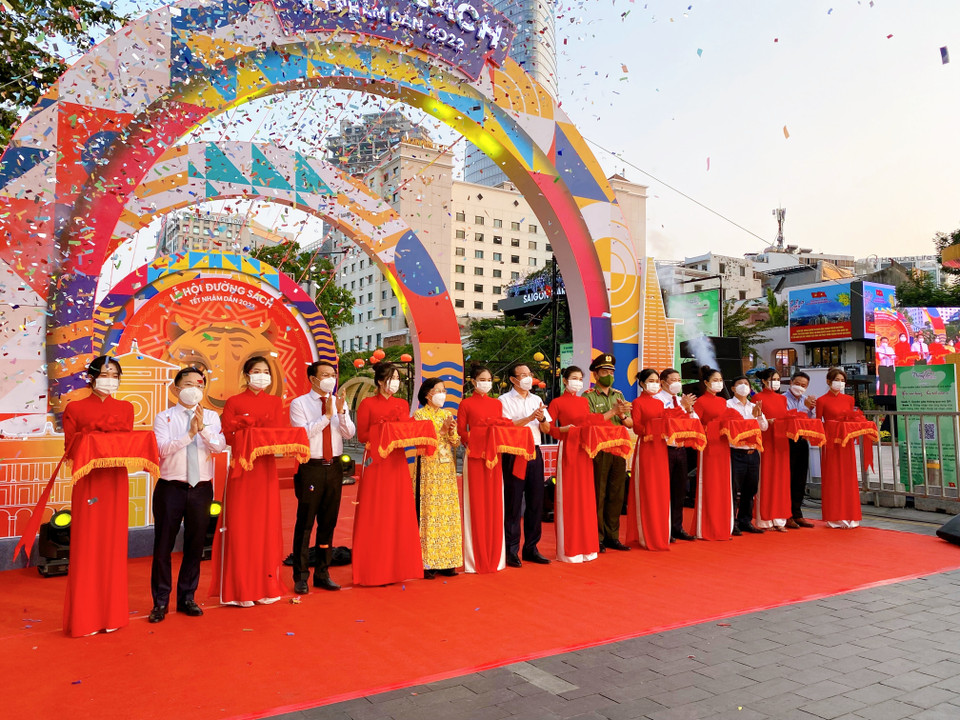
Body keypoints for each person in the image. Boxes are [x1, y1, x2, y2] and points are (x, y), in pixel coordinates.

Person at [61, 356, 136, 636]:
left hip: (115, 479)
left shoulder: (125, 408)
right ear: (92, 376)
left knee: (114, 543)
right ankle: (86, 617)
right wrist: (91, 437)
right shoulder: (75, 408)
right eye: (105, 373)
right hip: (89, 481)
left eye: (115, 374)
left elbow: (126, 442)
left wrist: (104, 438)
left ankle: (112, 613)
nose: (110, 379)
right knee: (88, 542)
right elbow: (70, 447)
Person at [209, 356, 289, 607]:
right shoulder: (233, 402)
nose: (262, 376)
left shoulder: (275, 402)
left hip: (265, 469)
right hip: (242, 470)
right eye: (257, 371)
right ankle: (240, 589)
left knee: (265, 526)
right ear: (246, 375)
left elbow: (277, 435)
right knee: (241, 526)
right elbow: (228, 436)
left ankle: (266, 585)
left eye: (266, 372)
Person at [150, 367, 226, 623]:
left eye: (200, 384)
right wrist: (189, 434)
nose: (195, 389)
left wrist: (202, 429)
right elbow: (161, 449)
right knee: (163, 547)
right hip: (171, 488)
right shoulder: (164, 418)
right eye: (189, 384)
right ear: (176, 389)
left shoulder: (213, 417)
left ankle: (187, 597)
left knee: (194, 546)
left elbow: (218, 446)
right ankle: (160, 601)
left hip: (201, 489)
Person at [353, 362, 424, 585]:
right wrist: (384, 429)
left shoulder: (402, 404)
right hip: (376, 462)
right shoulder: (367, 404)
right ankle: (373, 569)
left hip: (396, 461)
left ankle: (397, 567)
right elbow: (362, 435)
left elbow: (406, 431)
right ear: (380, 381)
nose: (395, 382)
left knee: (398, 511)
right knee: (376, 511)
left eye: (397, 378)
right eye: (392, 378)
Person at [289, 360, 355, 594]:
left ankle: (323, 572)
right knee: (306, 522)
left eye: (333, 374)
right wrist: (327, 416)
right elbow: (303, 434)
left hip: (335, 467)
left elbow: (349, 434)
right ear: (313, 379)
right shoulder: (299, 404)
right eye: (325, 375)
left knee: (328, 522)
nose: (330, 378)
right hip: (311, 467)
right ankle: (301, 575)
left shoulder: (338, 402)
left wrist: (341, 412)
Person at [548, 366, 610, 563]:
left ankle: (587, 546)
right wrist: (564, 430)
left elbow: (590, 422)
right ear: (565, 381)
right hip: (568, 449)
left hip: (585, 451)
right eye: (573, 378)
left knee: (586, 498)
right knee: (569, 498)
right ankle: (570, 549)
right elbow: (550, 429)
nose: (577, 381)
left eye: (580, 378)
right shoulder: (556, 403)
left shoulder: (584, 402)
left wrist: (614, 413)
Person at [499, 362, 552, 567]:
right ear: (513, 379)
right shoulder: (504, 401)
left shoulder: (537, 399)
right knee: (513, 502)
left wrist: (540, 420)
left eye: (529, 374)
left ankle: (531, 548)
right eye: (522, 375)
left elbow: (547, 428)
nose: (527, 378)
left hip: (534, 451)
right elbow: (505, 426)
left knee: (536, 501)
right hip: (514, 452)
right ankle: (511, 550)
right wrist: (529, 417)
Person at [457, 364, 507, 573]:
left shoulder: (496, 404)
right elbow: (461, 431)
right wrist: (477, 440)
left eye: (489, 380)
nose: (486, 383)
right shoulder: (466, 404)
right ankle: (474, 558)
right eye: (482, 380)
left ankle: (497, 556)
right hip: (476, 457)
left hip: (495, 458)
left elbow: (501, 428)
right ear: (473, 381)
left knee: (495, 502)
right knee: (475, 502)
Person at [583, 353, 633, 551]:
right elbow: (589, 422)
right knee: (599, 493)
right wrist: (611, 412)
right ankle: (598, 537)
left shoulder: (618, 394)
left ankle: (613, 536)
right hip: (599, 448)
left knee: (616, 493)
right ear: (596, 375)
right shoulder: (588, 396)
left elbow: (630, 423)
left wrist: (620, 413)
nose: (609, 375)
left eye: (611, 371)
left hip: (618, 448)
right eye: (605, 371)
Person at [413, 378, 462, 578]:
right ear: (427, 394)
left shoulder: (447, 414)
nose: (442, 394)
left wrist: (451, 433)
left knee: (448, 512)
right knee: (430, 512)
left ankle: (448, 561)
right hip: (428, 468)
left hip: (446, 469)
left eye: (444, 390)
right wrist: (440, 431)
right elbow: (419, 442)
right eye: (438, 390)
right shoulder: (419, 415)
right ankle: (427, 563)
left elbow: (456, 442)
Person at [627, 369, 673, 551]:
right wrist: (651, 428)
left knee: (661, 490)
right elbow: (637, 427)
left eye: (657, 381)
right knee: (647, 489)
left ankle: (660, 532)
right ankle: (645, 534)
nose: (655, 384)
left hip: (660, 448)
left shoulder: (660, 403)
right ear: (642, 383)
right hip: (646, 447)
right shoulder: (637, 403)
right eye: (651, 380)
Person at [654, 368, 697, 541]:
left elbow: (695, 422)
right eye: (673, 380)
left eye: (679, 379)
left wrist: (688, 409)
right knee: (664, 490)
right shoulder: (657, 400)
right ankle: (663, 528)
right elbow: (666, 421)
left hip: (680, 448)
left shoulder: (681, 400)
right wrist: (682, 409)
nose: (677, 383)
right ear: (663, 382)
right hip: (664, 449)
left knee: (679, 490)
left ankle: (677, 527)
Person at [816, 367, 862, 528]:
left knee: (848, 477)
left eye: (842, 381)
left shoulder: (849, 400)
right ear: (829, 381)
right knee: (833, 477)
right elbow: (818, 423)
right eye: (837, 380)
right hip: (830, 443)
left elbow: (851, 419)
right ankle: (834, 516)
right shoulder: (821, 400)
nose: (840, 383)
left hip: (846, 442)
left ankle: (851, 514)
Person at [692, 367, 735, 540]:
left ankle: (723, 527)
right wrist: (712, 427)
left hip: (723, 447)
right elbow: (695, 426)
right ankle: (706, 528)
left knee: (723, 486)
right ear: (706, 383)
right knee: (709, 485)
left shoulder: (723, 402)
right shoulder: (700, 402)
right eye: (715, 380)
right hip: (708, 447)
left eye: (720, 379)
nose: (718, 383)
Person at [727, 375, 768, 535]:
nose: (743, 386)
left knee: (750, 489)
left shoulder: (754, 406)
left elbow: (763, 427)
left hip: (753, 452)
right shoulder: (728, 405)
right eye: (740, 384)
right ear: (732, 388)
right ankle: (732, 522)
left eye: (746, 384)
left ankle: (745, 521)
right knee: (734, 489)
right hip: (736, 452)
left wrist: (757, 415)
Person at [754, 369, 790, 533]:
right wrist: (769, 420)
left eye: (778, 379)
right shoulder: (757, 398)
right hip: (766, 442)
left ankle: (780, 519)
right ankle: (765, 519)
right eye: (772, 379)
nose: (776, 382)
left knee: (781, 480)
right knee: (766, 479)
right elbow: (755, 421)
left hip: (781, 442)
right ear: (764, 381)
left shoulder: (783, 399)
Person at [785, 372, 817, 528]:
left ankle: (797, 513)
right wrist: (804, 409)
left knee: (800, 478)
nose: (800, 387)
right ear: (791, 382)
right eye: (797, 383)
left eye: (804, 385)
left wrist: (810, 409)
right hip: (787, 441)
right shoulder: (783, 399)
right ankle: (787, 514)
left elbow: (811, 422)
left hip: (803, 441)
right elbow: (787, 419)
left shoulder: (807, 401)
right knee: (788, 478)